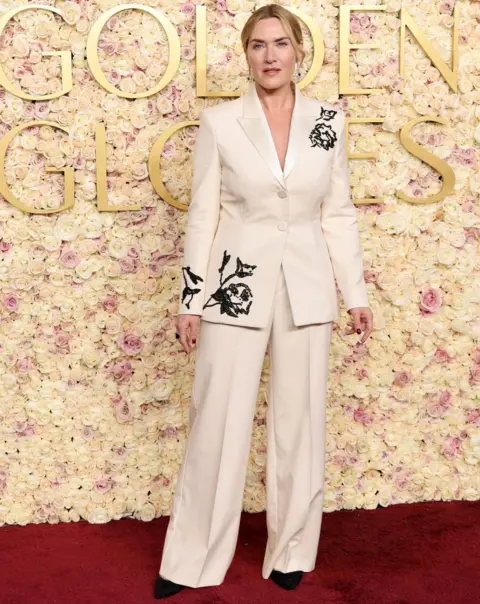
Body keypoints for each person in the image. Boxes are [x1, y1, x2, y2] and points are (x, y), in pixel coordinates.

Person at [154, 4, 373, 599]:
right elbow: (201, 216)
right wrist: (190, 301)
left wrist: (354, 293)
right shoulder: (221, 124)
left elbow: (338, 211)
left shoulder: (330, 120)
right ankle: (191, 560)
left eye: (280, 43)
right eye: (257, 45)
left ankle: (291, 552)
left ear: (299, 50)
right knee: (216, 421)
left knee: (300, 423)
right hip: (234, 283)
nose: (270, 55)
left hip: (307, 287)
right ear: (245, 53)